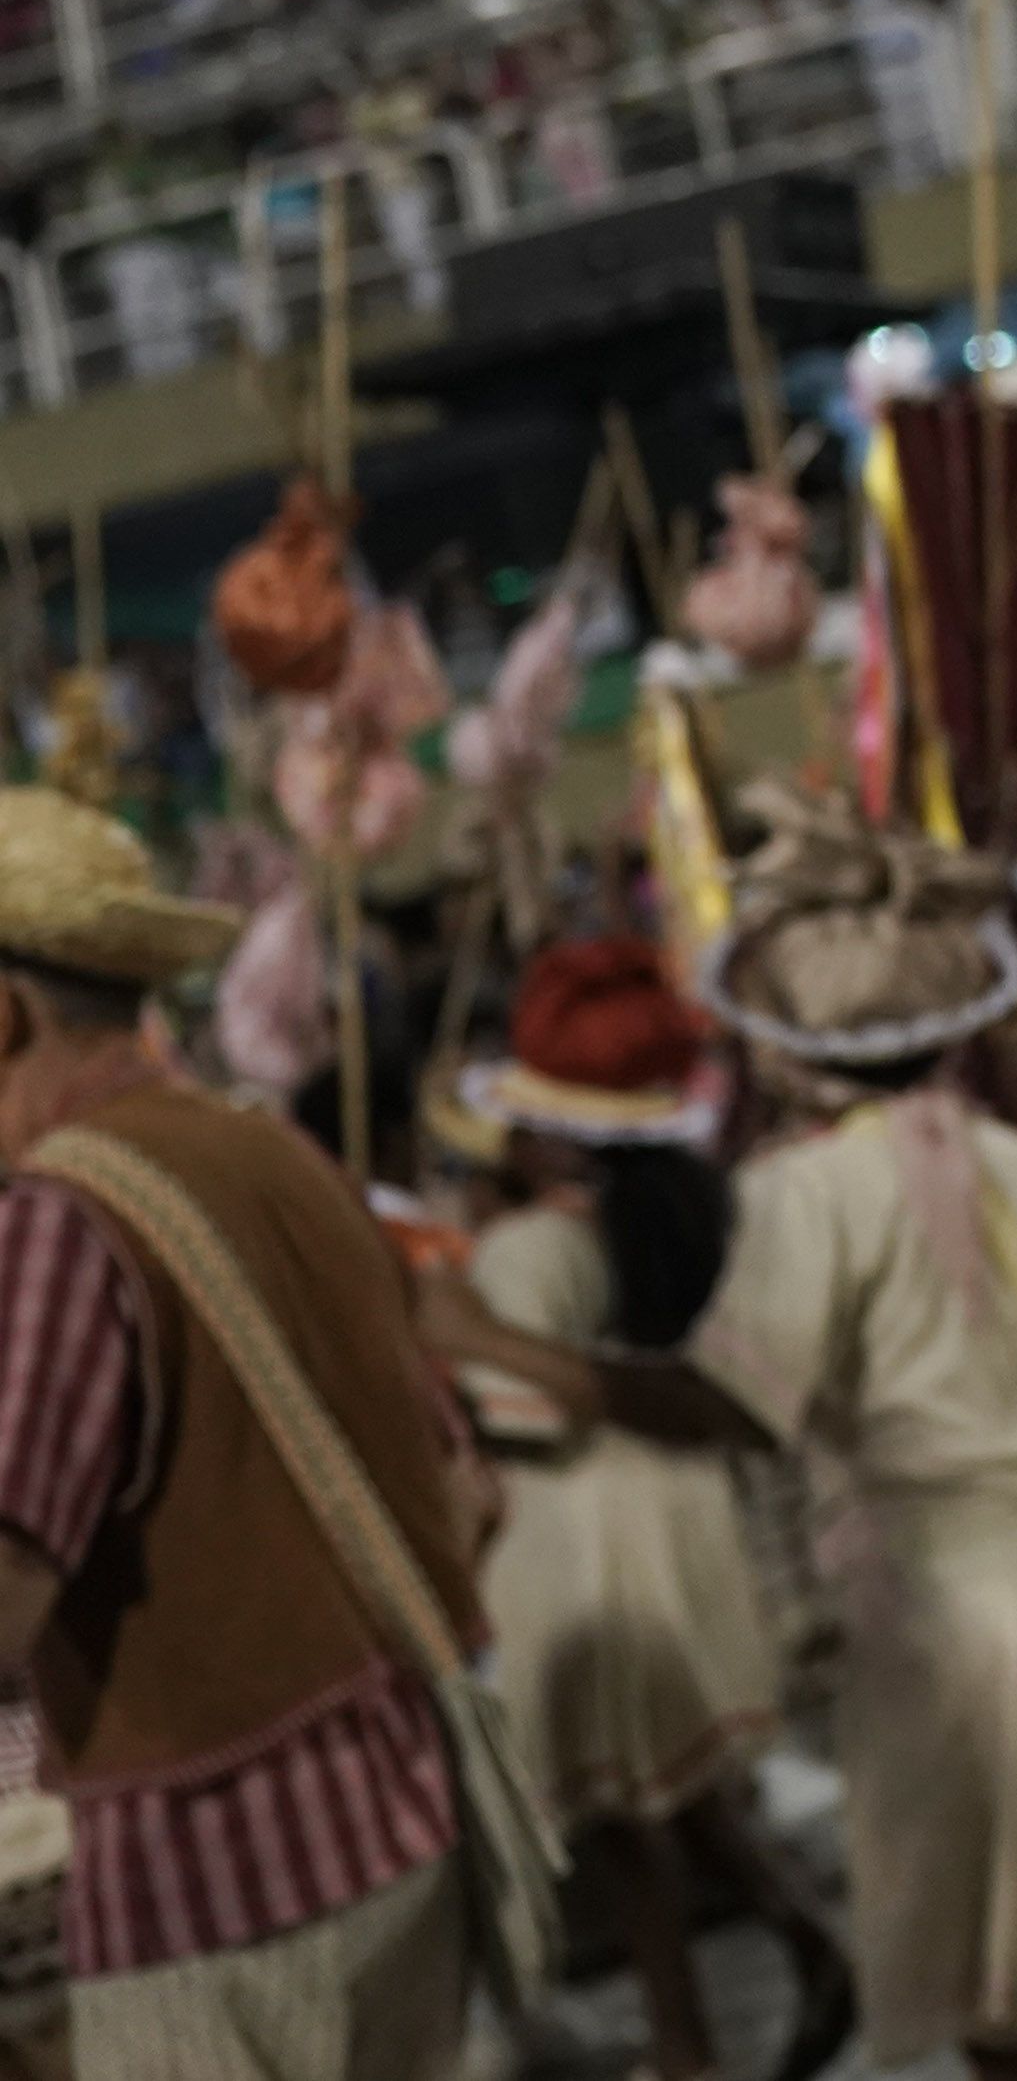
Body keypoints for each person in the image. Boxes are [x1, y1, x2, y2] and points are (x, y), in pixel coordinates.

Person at [423, 788, 1017, 2081]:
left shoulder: (808, 1187)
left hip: (948, 1611)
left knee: (1015, 2003)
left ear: (790, 1042)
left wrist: (494, 1344)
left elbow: (733, 1401)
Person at [0, 789, 486, 2079]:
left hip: (215, 1882)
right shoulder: (276, 1157)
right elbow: (464, 1486)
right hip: (400, 1821)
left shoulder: (62, 1217)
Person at [458, 938, 853, 2081]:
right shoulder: (692, 1211)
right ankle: (801, 1942)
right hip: (676, 1516)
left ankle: (686, 2046)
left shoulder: (532, 1248)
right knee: (668, 1796)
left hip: (581, 1535)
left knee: (626, 1820)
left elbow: (533, 1414)